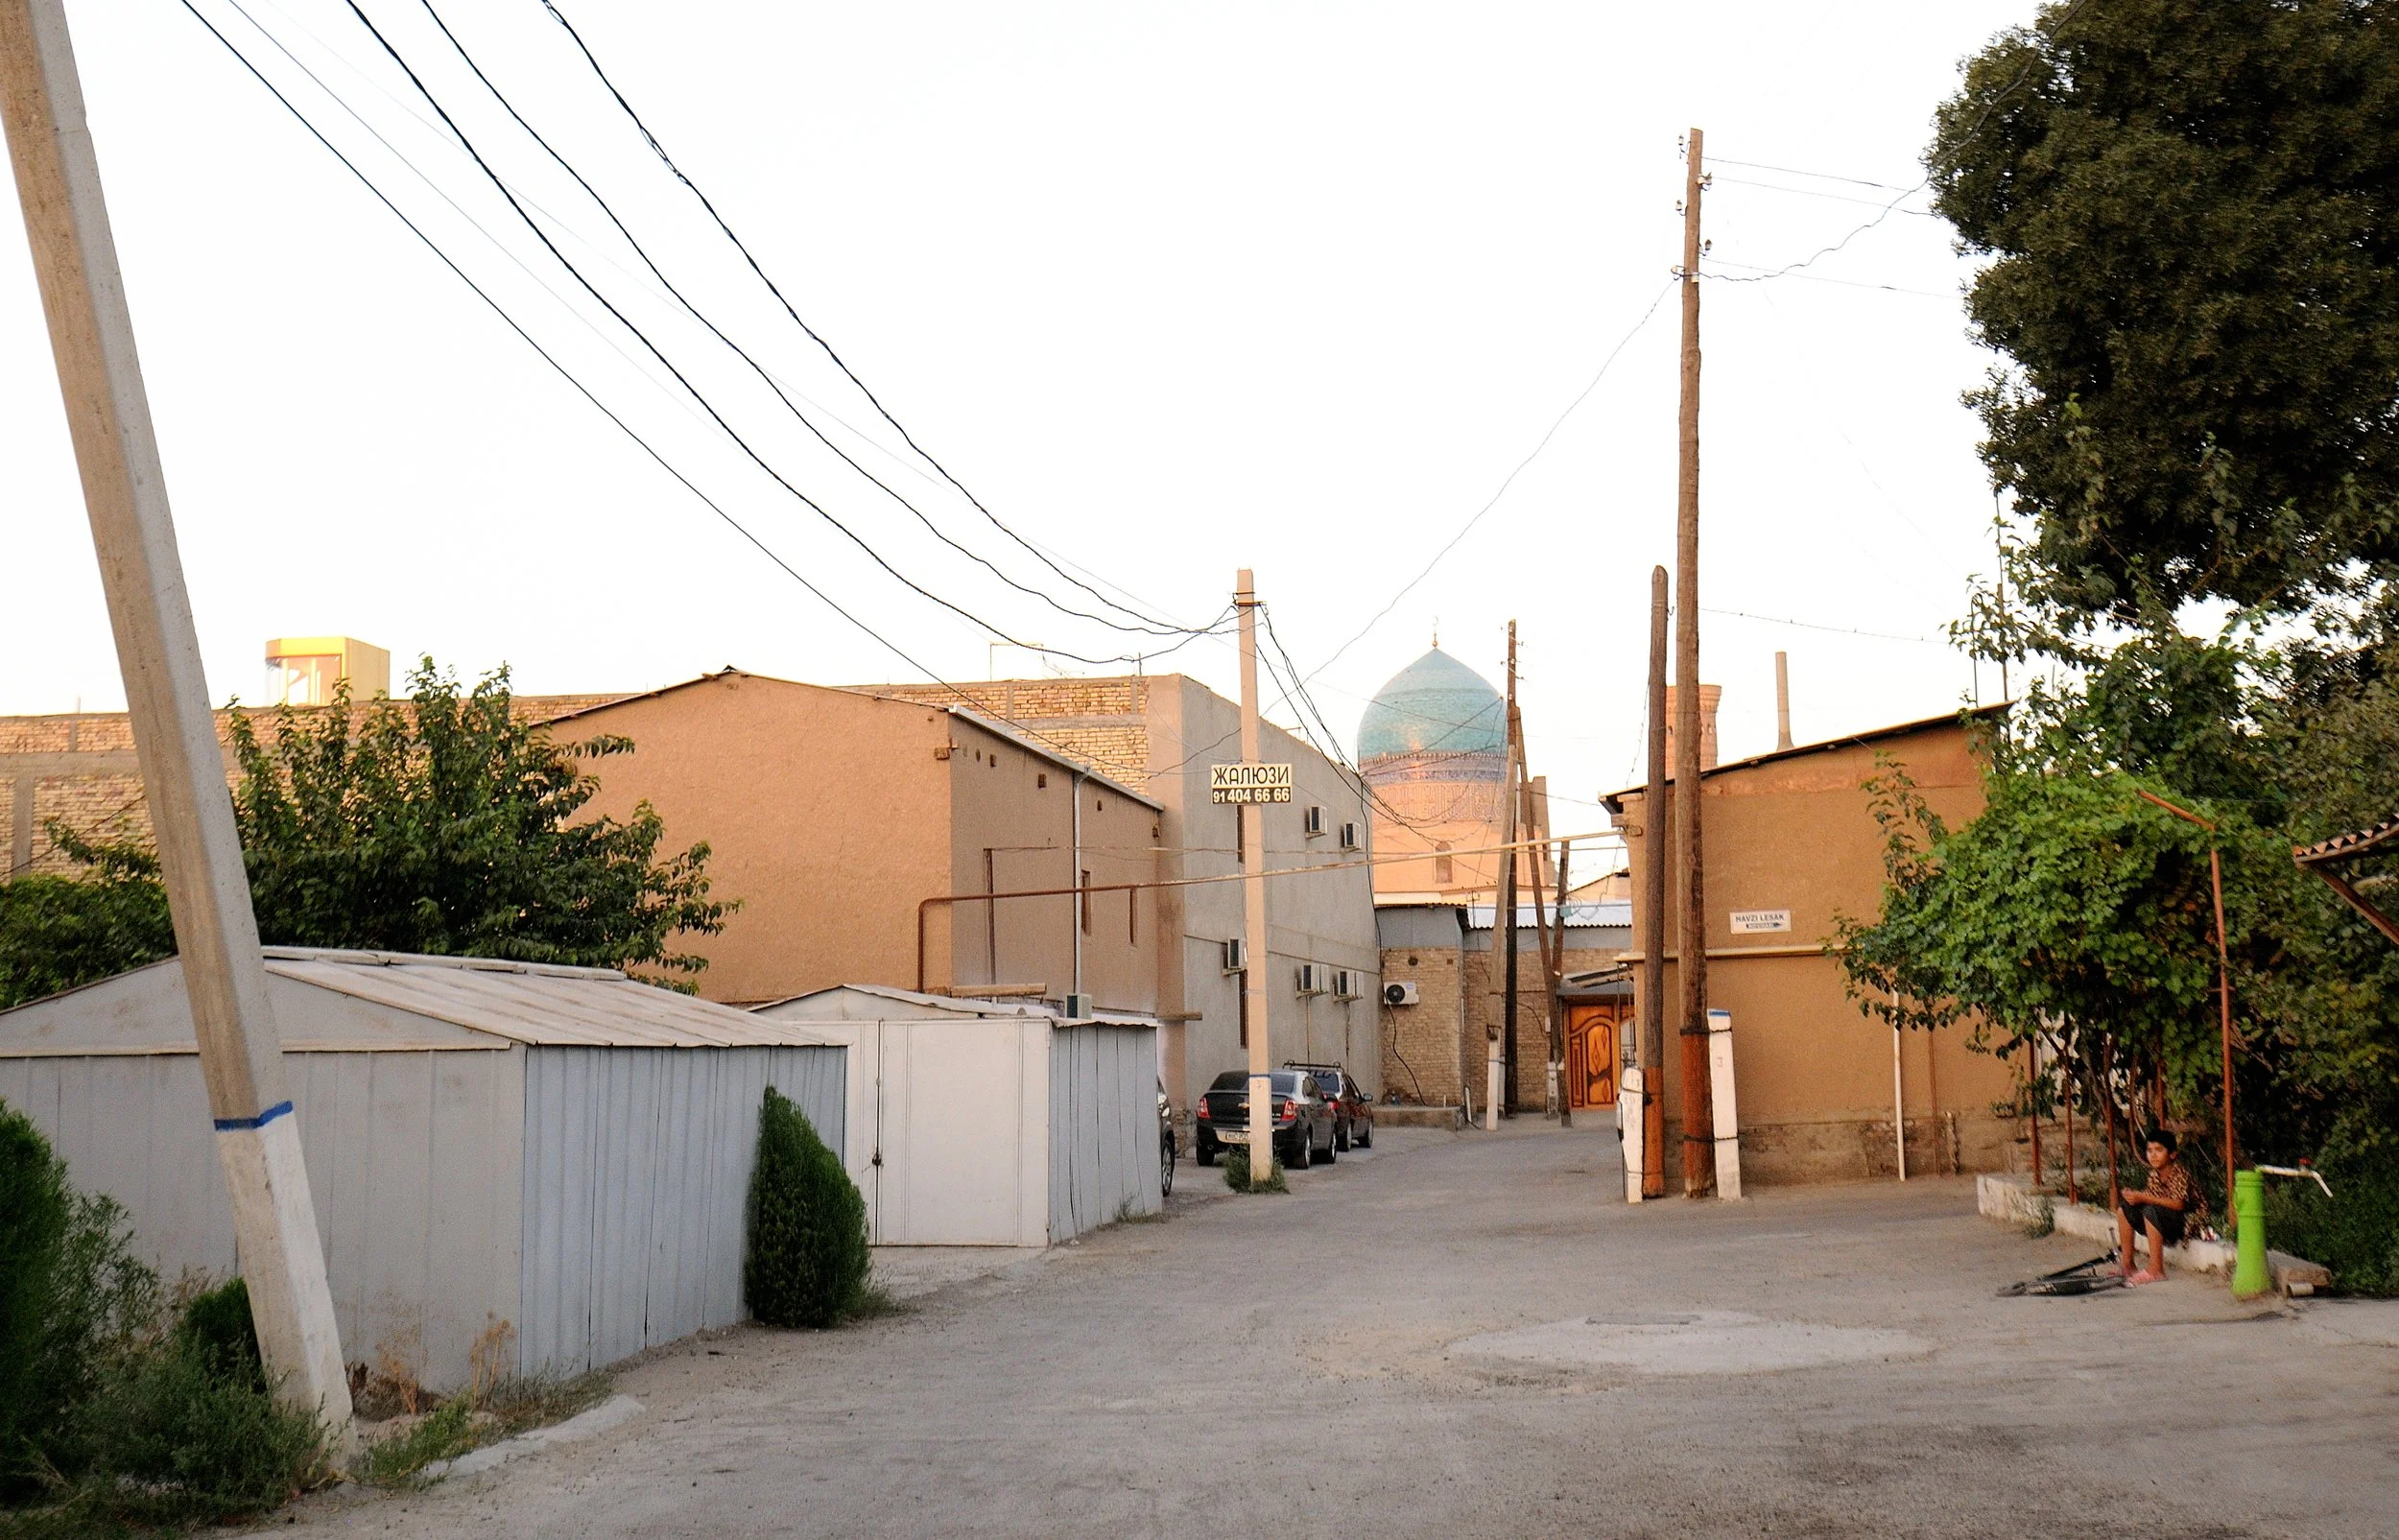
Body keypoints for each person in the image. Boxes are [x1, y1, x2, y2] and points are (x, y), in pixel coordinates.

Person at [2116, 1129, 2197, 1284]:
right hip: (2164, 1219)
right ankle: (2128, 1265)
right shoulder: (2154, 1175)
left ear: (2172, 1154)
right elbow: (2150, 1196)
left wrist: (2144, 1197)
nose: (2153, 1155)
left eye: (2159, 1150)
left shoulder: (2180, 1173)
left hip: (2187, 1222)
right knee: (2124, 1209)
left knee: (2151, 1211)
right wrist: (2133, 1196)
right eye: (2150, 1150)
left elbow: (2179, 1204)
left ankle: (2156, 1270)